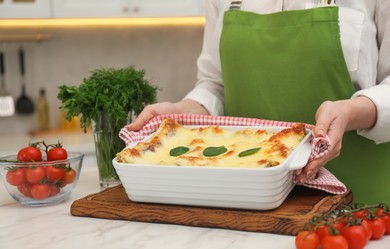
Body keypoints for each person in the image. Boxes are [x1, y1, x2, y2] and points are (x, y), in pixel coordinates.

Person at [126, 0, 390, 204]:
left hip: (359, 210)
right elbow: (215, 85)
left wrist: (347, 111)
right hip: (247, 204)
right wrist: (182, 112)